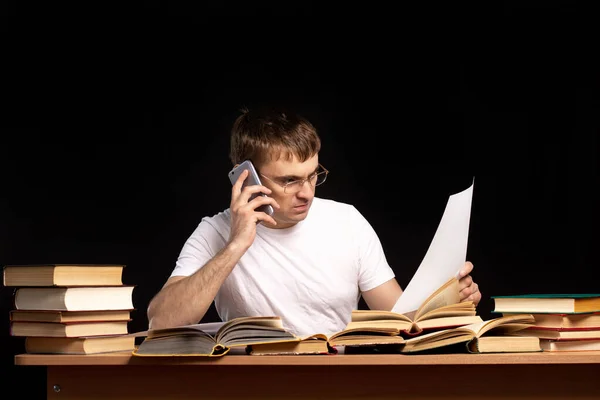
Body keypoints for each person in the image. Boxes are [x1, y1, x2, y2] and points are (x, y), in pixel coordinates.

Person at [146, 106, 481, 337]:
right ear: (246, 177)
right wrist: (236, 245)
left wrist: (448, 302)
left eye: (312, 175)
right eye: (289, 180)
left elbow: (399, 318)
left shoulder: (346, 221)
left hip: (338, 383)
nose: (306, 193)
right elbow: (161, 322)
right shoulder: (214, 233)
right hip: (251, 386)